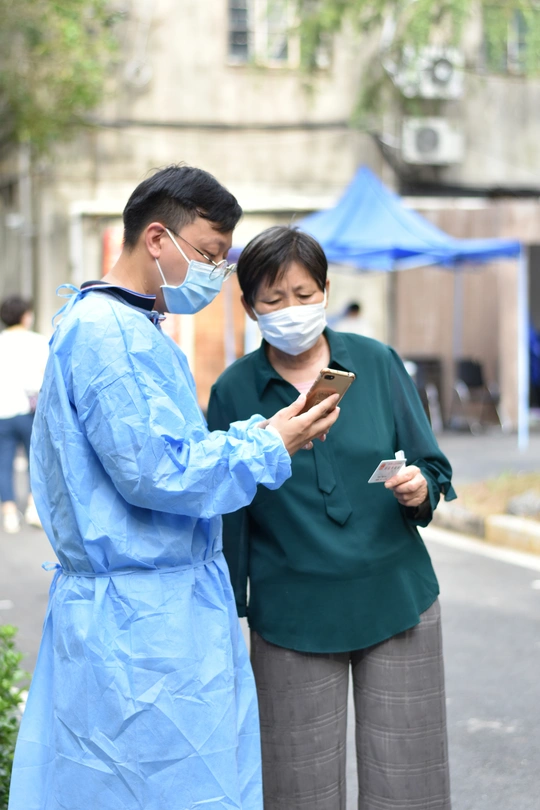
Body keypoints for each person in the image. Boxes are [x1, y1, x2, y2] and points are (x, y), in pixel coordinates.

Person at [8, 167, 340, 810]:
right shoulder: (106, 333)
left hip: (154, 612)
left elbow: (168, 450)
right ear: (157, 238)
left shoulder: (130, 327)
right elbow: (156, 472)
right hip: (140, 625)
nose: (217, 272)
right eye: (211, 255)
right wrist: (267, 447)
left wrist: (261, 434)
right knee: (148, 786)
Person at [207, 225, 457, 810]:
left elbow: (431, 465)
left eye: (303, 294)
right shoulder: (234, 390)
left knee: (409, 784)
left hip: (397, 599)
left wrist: (419, 488)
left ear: (325, 291)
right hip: (291, 617)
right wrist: (227, 609)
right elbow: (227, 508)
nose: (291, 309)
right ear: (250, 307)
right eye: (273, 299)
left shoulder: (377, 362)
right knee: (297, 789)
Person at [0, 295, 48, 534]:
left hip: (2, 412)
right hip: (30, 412)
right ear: (25, 316)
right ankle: (33, 507)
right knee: (35, 461)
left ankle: (9, 513)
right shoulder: (38, 341)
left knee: (4, 463)